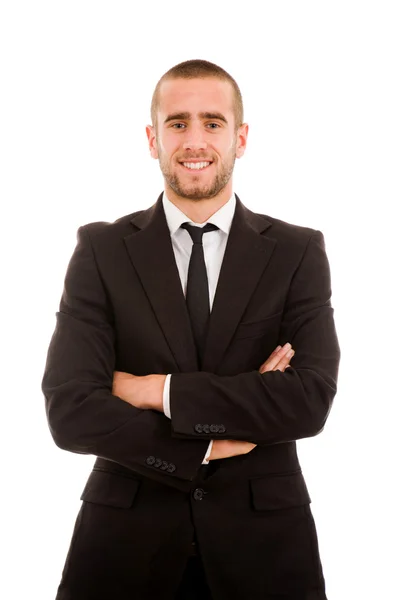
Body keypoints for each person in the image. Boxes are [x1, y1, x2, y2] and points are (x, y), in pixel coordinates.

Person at [41, 59, 340, 600]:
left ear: (241, 138)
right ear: (152, 139)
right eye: (177, 123)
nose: (194, 139)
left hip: (267, 548)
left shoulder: (297, 251)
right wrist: (205, 446)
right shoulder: (102, 250)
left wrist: (152, 390)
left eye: (213, 122)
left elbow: (307, 400)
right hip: (123, 547)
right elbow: (71, 410)